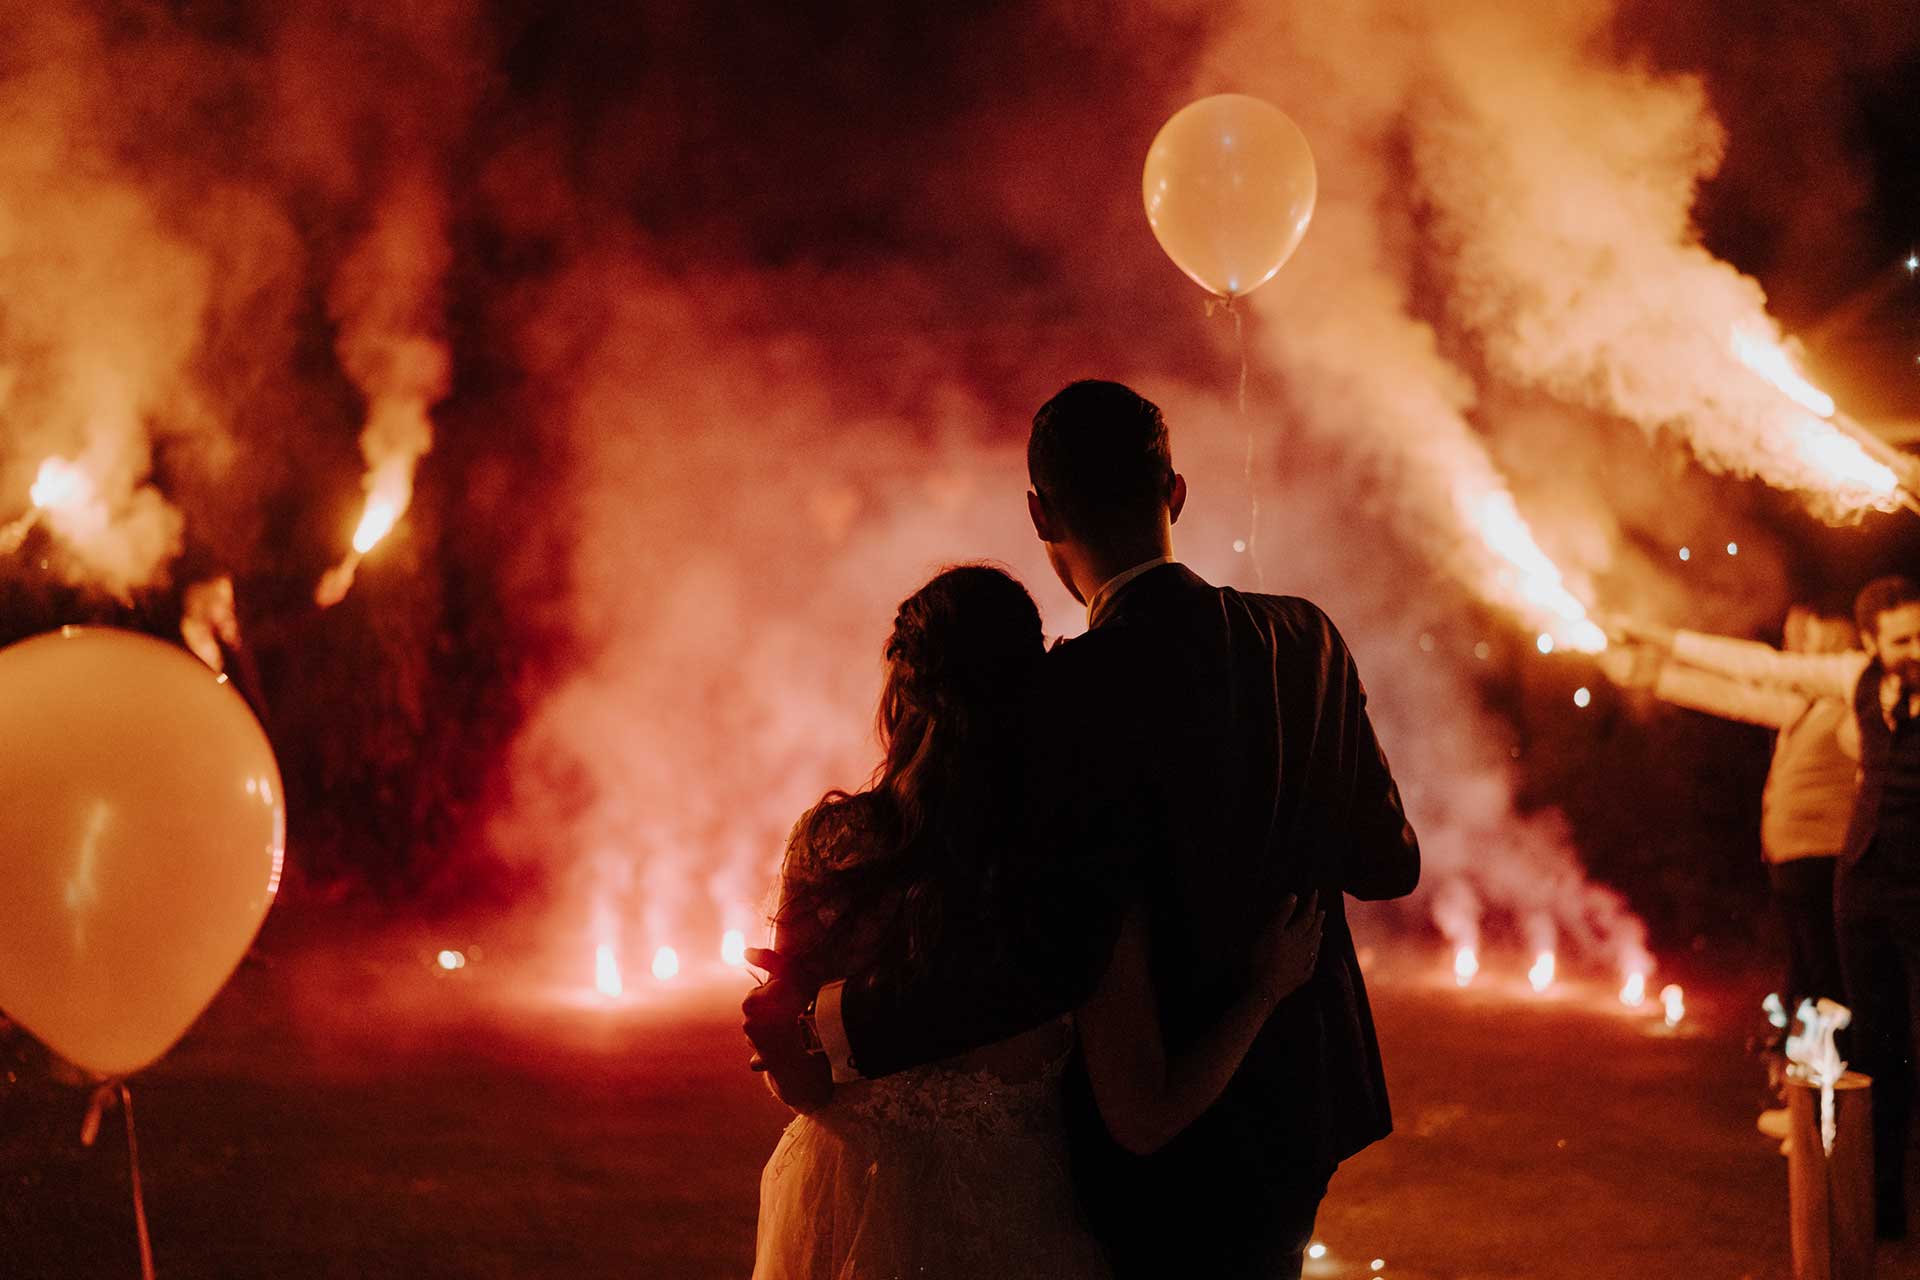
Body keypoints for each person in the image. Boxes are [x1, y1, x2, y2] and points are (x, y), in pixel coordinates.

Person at [746, 380, 1420, 1278]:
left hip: (1148, 1136)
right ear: (1174, 491)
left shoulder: (1063, 696)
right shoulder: (1308, 640)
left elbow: (1041, 950)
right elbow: (1388, 863)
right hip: (1301, 1100)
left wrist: (834, 1023)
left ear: (1038, 513)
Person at [749, 564, 1326, 1279]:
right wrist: (1262, 994)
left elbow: (801, 1083)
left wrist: (785, 1031)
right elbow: (1144, 1116)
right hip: (1008, 1230)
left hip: (840, 1215)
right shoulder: (1070, 871)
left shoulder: (831, 847)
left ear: (901, 692)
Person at [1618, 577, 1920, 1238]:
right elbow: (1752, 678)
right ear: (1869, 644)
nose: (1915, 651)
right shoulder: (1848, 685)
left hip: (1880, 878)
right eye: (1902, 640)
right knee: (1861, 1028)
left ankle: (1832, 1135)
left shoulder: (1867, 693)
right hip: (1854, 884)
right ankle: (1873, 1193)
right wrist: (1662, 653)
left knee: (1860, 1015)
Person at [1602, 606, 1855, 1019]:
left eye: (1810, 639)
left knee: (1826, 976)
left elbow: (1761, 670)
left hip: (1825, 860)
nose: (1798, 649)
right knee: (1809, 971)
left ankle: (1832, 1067)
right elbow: (1740, 698)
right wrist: (1654, 675)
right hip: (1796, 862)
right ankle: (1804, 1060)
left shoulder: (1848, 698)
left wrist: (1659, 637)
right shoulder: (1811, 706)